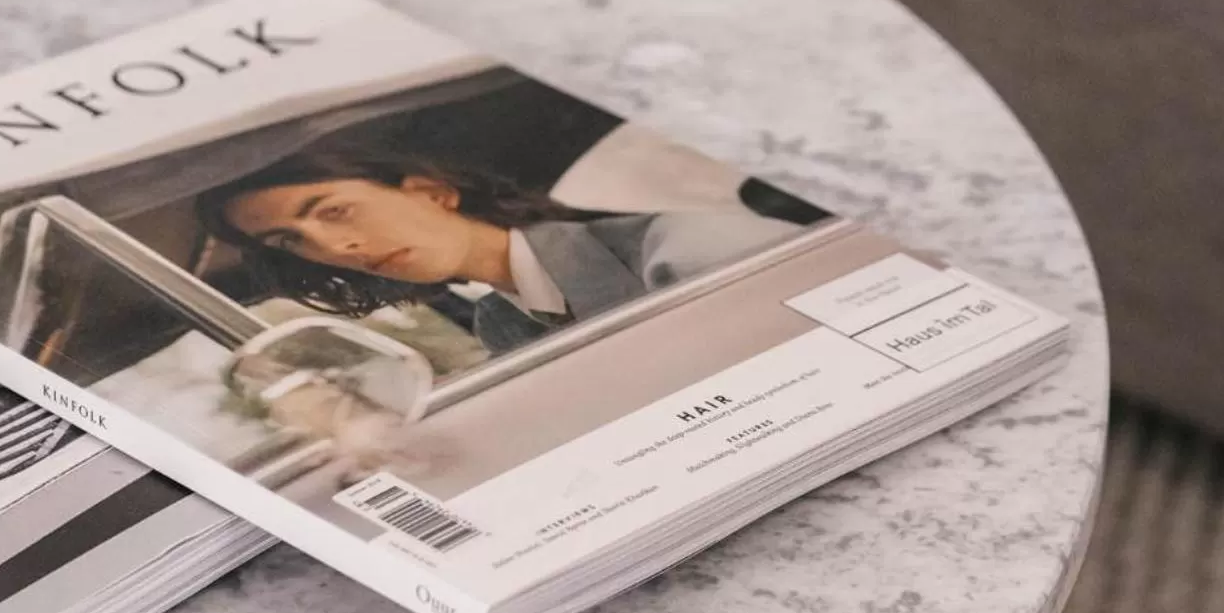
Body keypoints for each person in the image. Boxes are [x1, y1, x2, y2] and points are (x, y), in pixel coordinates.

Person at [195, 146, 804, 355]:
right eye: (292, 243)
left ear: (433, 192)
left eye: (333, 211)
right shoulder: (503, 326)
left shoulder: (684, 244)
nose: (335, 247)